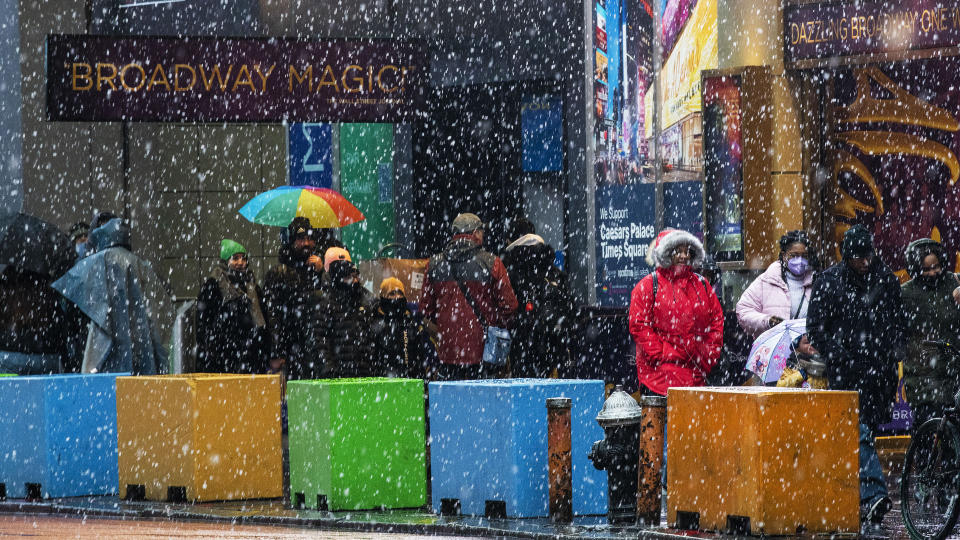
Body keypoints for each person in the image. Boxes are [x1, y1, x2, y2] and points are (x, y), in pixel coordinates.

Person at [807, 224, 905, 527]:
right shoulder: (829, 282)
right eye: (857, 258)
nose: (864, 263)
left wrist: (893, 350)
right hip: (846, 372)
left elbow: (899, 321)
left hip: (880, 372)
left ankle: (855, 493)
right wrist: (840, 352)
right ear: (846, 256)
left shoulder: (885, 279)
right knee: (858, 430)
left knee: (866, 432)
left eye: (867, 257)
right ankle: (875, 493)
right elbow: (816, 328)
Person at [51, 217, 173, 375]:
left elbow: (80, 320)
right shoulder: (142, 267)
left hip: (104, 373)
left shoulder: (92, 267)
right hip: (141, 368)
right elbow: (161, 319)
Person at [420, 212, 518, 380]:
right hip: (485, 356)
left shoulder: (434, 265)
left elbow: (426, 310)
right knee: (484, 404)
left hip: (448, 355)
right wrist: (494, 329)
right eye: (482, 232)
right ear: (475, 234)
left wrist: (446, 333)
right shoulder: (492, 263)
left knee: (452, 403)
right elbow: (510, 306)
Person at [629, 228, 724, 396]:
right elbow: (639, 326)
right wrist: (662, 354)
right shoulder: (647, 286)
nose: (684, 256)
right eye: (678, 251)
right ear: (665, 254)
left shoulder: (702, 285)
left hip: (696, 379)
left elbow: (716, 322)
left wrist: (707, 355)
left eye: (687, 251)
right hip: (659, 381)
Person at [901, 238, 960, 427]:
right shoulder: (905, 294)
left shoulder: (954, 281)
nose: (933, 272)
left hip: (954, 375)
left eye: (936, 267)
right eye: (926, 269)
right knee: (928, 435)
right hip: (923, 380)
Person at [502, 231, 576, 378]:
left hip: (524, 343)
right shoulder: (556, 275)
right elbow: (571, 310)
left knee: (524, 390)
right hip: (554, 343)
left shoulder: (513, 275)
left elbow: (508, 307)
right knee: (554, 394)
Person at [262, 217, 327, 380]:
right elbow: (272, 315)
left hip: (316, 349)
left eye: (310, 239)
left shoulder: (316, 270)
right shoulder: (279, 273)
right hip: (291, 350)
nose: (306, 243)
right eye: (301, 239)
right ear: (291, 242)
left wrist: (321, 272)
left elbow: (328, 303)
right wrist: (276, 351)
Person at [195, 239, 270, 374]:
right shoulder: (214, 284)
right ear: (225, 261)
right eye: (235, 258)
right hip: (223, 356)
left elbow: (263, 320)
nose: (240, 263)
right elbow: (204, 322)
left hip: (250, 356)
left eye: (243, 258)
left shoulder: (252, 286)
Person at [736, 230, 815, 339]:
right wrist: (767, 321)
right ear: (783, 255)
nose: (800, 260)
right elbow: (743, 311)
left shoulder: (816, 282)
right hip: (776, 349)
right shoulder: (766, 281)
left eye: (804, 256)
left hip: (807, 349)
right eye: (794, 255)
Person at [312, 248, 376, 378]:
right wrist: (329, 369)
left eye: (355, 274)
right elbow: (320, 339)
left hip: (363, 372)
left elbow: (371, 336)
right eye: (348, 276)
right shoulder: (326, 301)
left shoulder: (363, 300)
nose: (354, 280)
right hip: (340, 374)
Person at [369, 277, 437, 378]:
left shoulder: (411, 321)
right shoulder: (376, 322)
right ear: (383, 296)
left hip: (410, 380)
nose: (397, 297)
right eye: (392, 293)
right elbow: (373, 356)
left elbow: (420, 352)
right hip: (384, 381)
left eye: (400, 293)